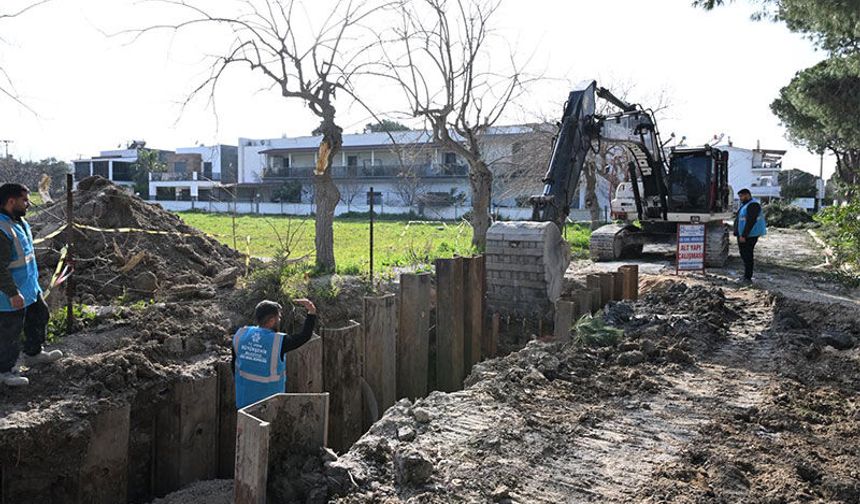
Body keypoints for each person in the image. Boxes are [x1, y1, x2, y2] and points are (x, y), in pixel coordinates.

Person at [0, 183, 63, 387]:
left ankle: (33, 353)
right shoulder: (2, 229)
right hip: (9, 294)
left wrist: (32, 285)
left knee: (40, 316)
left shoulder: (18, 222)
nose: (28, 204)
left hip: (28, 288)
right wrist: (12, 293)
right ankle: (4, 371)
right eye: (25, 200)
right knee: (9, 333)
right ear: (11, 201)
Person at [231, 298, 317, 409]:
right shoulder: (278, 342)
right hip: (269, 406)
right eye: (279, 317)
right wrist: (311, 312)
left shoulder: (240, 335)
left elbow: (234, 365)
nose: (280, 320)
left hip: (243, 403)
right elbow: (304, 336)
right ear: (272, 321)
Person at [733, 188, 767, 284]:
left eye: (741, 196)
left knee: (747, 255)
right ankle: (746, 275)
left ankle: (747, 277)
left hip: (749, 236)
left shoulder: (753, 205)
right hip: (745, 235)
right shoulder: (746, 205)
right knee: (744, 255)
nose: (740, 198)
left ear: (747, 195)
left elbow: (750, 221)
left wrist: (744, 235)